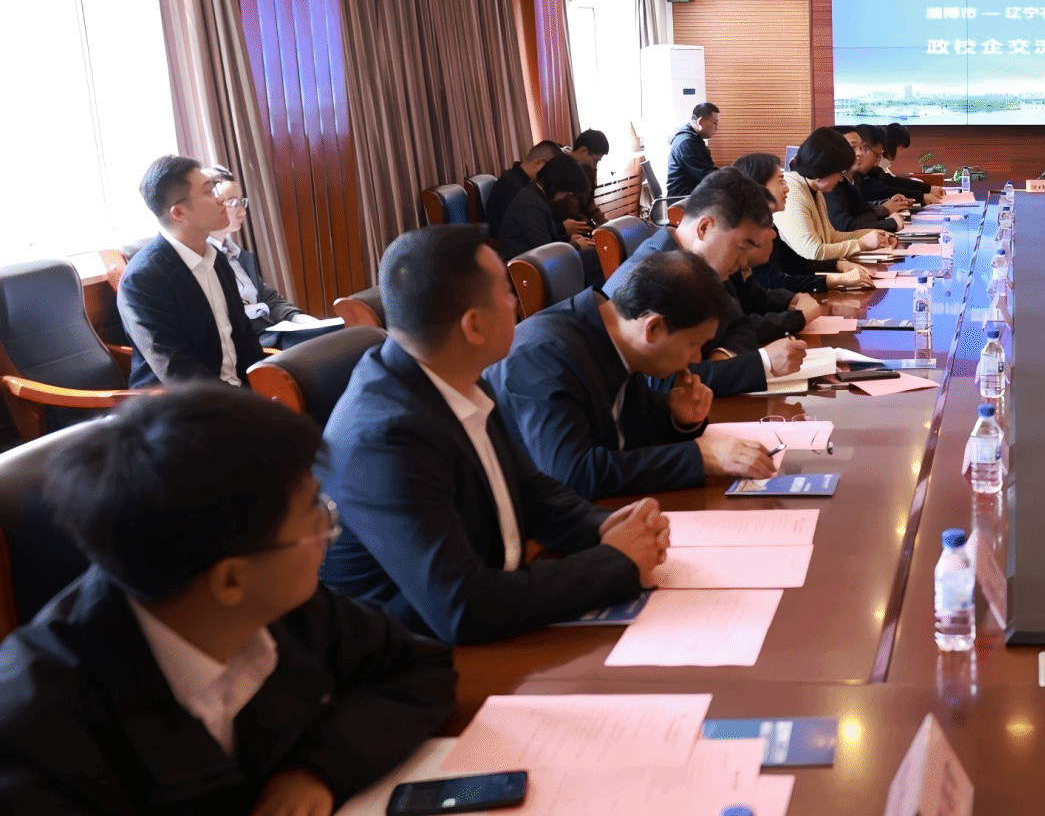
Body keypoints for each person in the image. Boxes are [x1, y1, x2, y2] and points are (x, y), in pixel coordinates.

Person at [0, 387, 471, 816]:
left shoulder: (266, 603)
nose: (329, 531)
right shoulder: (32, 727)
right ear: (229, 579)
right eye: (315, 516)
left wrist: (317, 768)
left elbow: (416, 664)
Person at [319, 225, 669, 645]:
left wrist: (605, 526)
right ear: (473, 326)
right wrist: (614, 563)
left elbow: (530, 491)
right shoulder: (384, 439)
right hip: (412, 654)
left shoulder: (454, 376)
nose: (515, 305)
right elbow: (462, 606)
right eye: (505, 292)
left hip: (489, 620)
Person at [487, 249, 776, 498]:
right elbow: (574, 473)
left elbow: (625, 426)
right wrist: (702, 457)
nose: (697, 358)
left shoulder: (612, 333)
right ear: (653, 328)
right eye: (693, 344)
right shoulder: (543, 356)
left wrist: (676, 417)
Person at [615, 169, 811, 396]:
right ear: (704, 228)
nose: (744, 261)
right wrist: (762, 363)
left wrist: (723, 358)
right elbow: (661, 383)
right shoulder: (652, 277)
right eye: (742, 247)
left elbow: (739, 324)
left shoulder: (701, 266)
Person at [119, 154, 264, 389]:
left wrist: (267, 386)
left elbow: (245, 339)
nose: (221, 200)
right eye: (209, 192)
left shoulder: (218, 260)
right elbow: (176, 370)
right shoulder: (142, 279)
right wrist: (242, 401)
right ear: (179, 213)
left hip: (236, 394)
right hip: (181, 403)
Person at [729, 151, 871, 291]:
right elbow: (774, 282)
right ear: (757, 186)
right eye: (781, 181)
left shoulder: (768, 225)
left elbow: (796, 264)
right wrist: (836, 280)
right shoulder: (748, 232)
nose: (787, 188)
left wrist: (837, 265)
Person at [202, 164, 305, 327]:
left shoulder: (239, 255)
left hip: (271, 329)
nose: (242, 212)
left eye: (241, 202)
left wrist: (303, 320)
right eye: (233, 203)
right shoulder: (202, 260)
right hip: (252, 337)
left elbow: (269, 299)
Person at [777, 127, 898, 262]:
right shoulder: (792, 192)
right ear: (822, 170)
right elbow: (814, 251)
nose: (841, 179)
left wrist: (872, 234)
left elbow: (831, 237)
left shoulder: (814, 189)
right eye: (840, 172)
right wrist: (861, 244)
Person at [499, 153, 603, 288]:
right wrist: (576, 245)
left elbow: (544, 238)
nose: (565, 196)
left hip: (534, 259)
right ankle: (596, 297)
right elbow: (545, 251)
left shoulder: (534, 195)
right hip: (525, 269)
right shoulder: (530, 204)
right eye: (566, 192)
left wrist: (569, 239)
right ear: (557, 186)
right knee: (594, 258)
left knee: (594, 255)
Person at [836, 126, 913, 231]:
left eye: (861, 148)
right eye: (853, 148)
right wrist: (889, 218)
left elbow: (863, 212)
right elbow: (846, 225)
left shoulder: (850, 181)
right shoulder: (830, 185)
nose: (860, 153)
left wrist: (885, 206)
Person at [484, 140, 563, 236]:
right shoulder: (511, 186)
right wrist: (562, 228)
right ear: (539, 163)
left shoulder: (524, 182)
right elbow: (527, 230)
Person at [854, 123, 936, 204]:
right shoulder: (855, 180)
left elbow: (891, 181)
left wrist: (927, 189)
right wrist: (921, 196)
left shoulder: (871, 172)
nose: (858, 154)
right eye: (877, 156)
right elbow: (882, 190)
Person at [667, 102, 720, 199]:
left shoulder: (693, 138)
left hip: (692, 194)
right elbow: (705, 176)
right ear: (701, 122)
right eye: (715, 123)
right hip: (683, 199)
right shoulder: (686, 142)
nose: (717, 128)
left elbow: (706, 170)